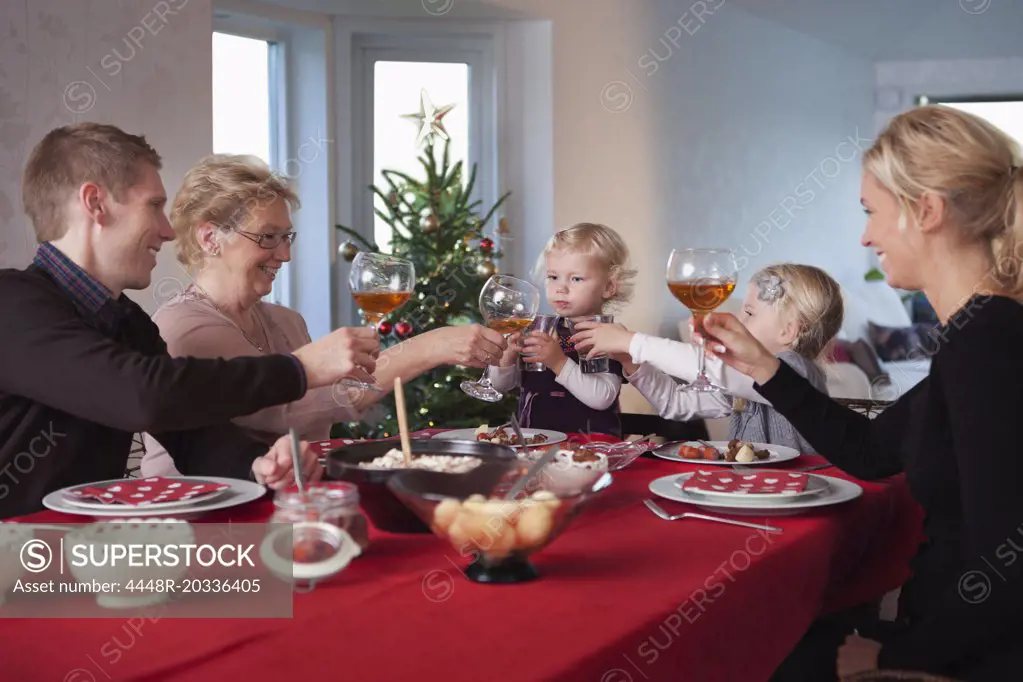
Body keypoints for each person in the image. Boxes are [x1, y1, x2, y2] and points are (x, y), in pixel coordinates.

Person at [697, 105, 1023, 681]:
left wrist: (898, 660)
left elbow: (1009, 565)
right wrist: (766, 366)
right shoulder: (977, 333)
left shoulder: (991, 342)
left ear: (927, 211)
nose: (865, 235)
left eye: (872, 212)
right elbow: (871, 452)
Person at [0, 123, 367, 518]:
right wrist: (300, 369)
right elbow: (143, 396)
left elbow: (194, 434)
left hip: (77, 557)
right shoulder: (11, 303)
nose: (169, 231)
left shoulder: (129, 322)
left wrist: (256, 465)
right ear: (95, 203)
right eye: (154, 205)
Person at [141, 154, 508, 475]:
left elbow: (333, 405)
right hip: (201, 519)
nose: (284, 255)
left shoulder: (287, 322)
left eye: (287, 237)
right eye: (268, 237)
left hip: (287, 507)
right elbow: (289, 410)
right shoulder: (183, 327)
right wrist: (432, 346)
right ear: (210, 239)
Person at [570, 263, 842, 454]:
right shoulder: (743, 384)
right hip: (754, 493)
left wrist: (633, 341)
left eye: (749, 312)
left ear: (788, 330)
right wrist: (631, 360)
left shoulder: (797, 373)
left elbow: (714, 369)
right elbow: (676, 403)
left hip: (802, 494)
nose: (739, 319)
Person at [490, 223, 636, 437]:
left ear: (608, 287)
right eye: (553, 277)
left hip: (591, 448)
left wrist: (558, 362)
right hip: (535, 445)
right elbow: (500, 386)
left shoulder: (608, 335)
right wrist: (507, 356)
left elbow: (602, 397)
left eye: (576, 278)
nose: (561, 288)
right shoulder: (540, 328)